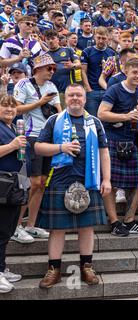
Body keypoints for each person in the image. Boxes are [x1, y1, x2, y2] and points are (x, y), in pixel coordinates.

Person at [34, 84, 110, 289]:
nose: (75, 98)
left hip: (89, 180)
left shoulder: (94, 122)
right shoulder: (54, 120)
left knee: (87, 227)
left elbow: (104, 152)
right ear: (65, 98)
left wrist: (107, 179)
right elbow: (38, 147)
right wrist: (61, 147)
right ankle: (54, 269)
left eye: (79, 95)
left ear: (85, 99)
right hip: (60, 180)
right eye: (71, 95)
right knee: (57, 229)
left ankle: (86, 267)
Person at [98, 58, 138, 236]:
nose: (137, 75)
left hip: (133, 142)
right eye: (134, 72)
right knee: (111, 183)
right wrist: (126, 116)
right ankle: (114, 222)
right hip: (113, 141)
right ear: (125, 71)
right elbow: (102, 113)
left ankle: (129, 219)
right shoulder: (115, 89)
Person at [13, 54, 62, 244]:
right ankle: (16, 226)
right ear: (37, 69)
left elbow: (58, 110)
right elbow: (17, 109)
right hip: (31, 136)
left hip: (47, 138)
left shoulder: (52, 87)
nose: (52, 72)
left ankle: (31, 225)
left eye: (53, 69)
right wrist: (40, 103)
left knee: (42, 183)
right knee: (31, 183)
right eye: (49, 68)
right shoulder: (23, 84)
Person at [0, 95, 25, 293]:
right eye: (4, 106)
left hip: (15, 184)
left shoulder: (13, 127)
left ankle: (1, 268)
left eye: (12, 106)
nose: (9, 109)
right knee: (0, 229)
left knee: (8, 229)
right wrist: (12, 145)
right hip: (2, 183)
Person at [81, 27, 115, 117]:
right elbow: (83, 71)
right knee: (92, 119)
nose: (100, 41)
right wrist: (88, 89)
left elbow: (114, 74)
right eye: (98, 38)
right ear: (94, 37)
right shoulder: (87, 51)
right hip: (92, 91)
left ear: (108, 38)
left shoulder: (112, 53)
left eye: (103, 38)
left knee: (106, 120)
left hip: (107, 91)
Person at [44, 29, 81, 108]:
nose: (50, 41)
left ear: (58, 39)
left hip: (66, 91)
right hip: (51, 93)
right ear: (45, 40)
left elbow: (78, 64)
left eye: (53, 38)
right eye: (48, 39)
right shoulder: (45, 56)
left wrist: (72, 66)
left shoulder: (68, 50)